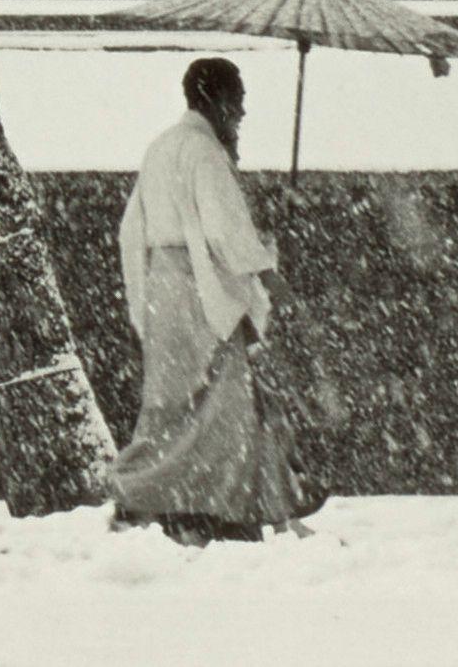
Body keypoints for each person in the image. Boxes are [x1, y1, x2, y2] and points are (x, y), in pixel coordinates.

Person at [109, 56, 323, 545]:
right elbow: (225, 230)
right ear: (217, 100)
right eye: (238, 100)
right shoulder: (204, 153)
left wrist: (143, 297)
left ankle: (209, 501)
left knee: (173, 407)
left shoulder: (161, 148)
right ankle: (211, 504)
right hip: (201, 291)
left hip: (163, 288)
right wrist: (266, 272)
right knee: (227, 406)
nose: (242, 113)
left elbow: (130, 229)